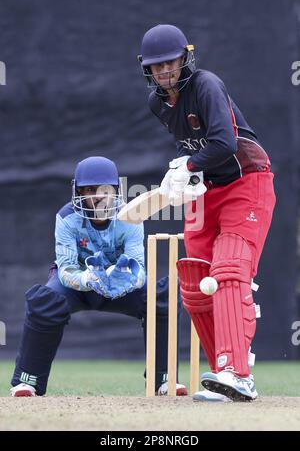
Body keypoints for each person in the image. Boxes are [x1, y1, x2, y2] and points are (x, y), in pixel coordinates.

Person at [138, 24, 276, 402]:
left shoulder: (206, 85)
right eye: (157, 66)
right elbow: (197, 149)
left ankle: (238, 372)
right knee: (195, 281)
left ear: (185, 58)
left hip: (246, 182)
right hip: (207, 191)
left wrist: (187, 165)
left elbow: (225, 142)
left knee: (229, 269)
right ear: (146, 68)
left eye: (172, 62)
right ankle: (223, 370)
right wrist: (189, 174)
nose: (165, 72)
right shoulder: (157, 104)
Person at [10, 156, 186, 397]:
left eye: (104, 189)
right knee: (46, 301)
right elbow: (65, 268)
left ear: (116, 190)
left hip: (119, 285)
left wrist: (125, 280)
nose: (97, 196)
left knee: (162, 300)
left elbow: (140, 268)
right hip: (78, 284)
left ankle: (164, 380)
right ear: (77, 191)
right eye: (89, 190)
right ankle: (27, 381)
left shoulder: (131, 216)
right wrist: (88, 279)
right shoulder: (66, 217)